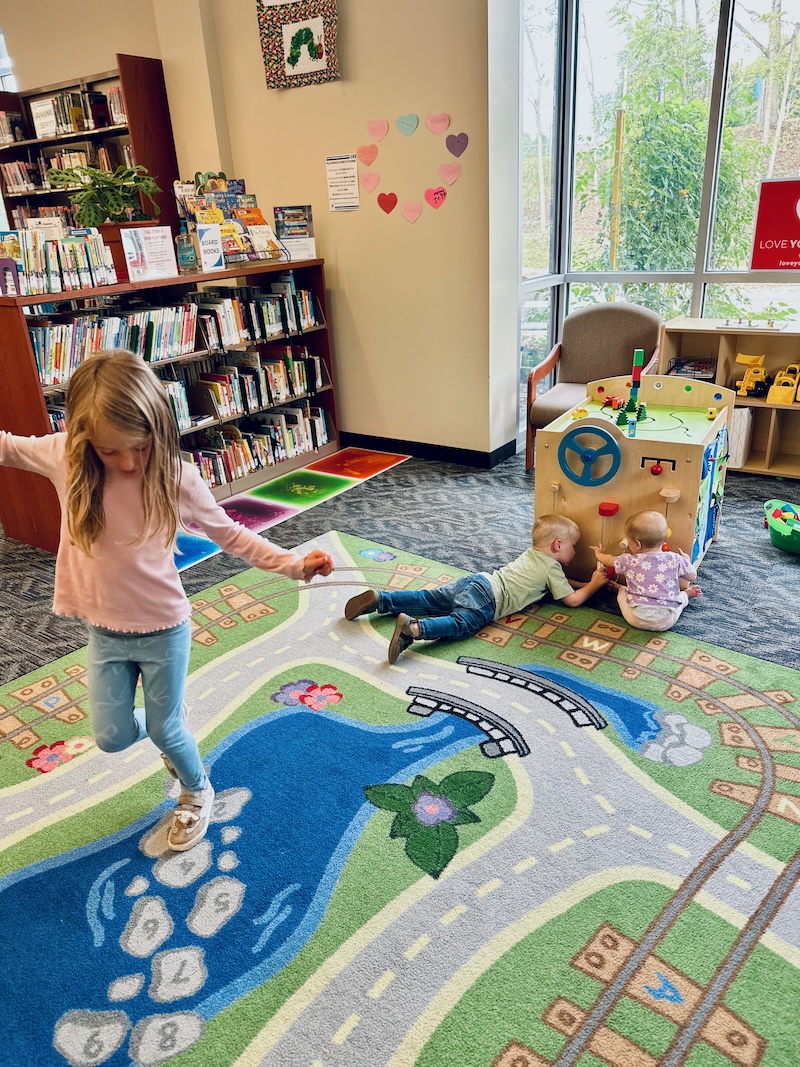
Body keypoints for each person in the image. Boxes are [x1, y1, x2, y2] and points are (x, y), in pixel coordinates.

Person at [0, 350, 333, 851]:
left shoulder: (176, 475)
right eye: (110, 452)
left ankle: (196, 790)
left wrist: (291, 563)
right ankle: (165, 741)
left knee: (167, 725)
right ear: (85, 438)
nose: (129, 462)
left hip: (163, 630)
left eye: (139, 446)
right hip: (104, 632)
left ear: (158, 423)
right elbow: (7, 448)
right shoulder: (64, 455)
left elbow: (231, 535)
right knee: (110, 737)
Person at [344, 513, 607, 663]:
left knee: (428, 599)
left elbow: (559, 584)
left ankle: (382, 600)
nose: (575, 551)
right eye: (574, 545)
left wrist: (584, 583)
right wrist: (594, 585)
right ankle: (413, 630)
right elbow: (571, 599)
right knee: (462, 625)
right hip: (487, 601)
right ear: (558, 546)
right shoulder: (552, 568)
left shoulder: (533, 556)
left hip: (475, 582)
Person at [590, 509, 700, 632]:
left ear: (637, 544)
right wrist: (686, 560)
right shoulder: (675, 558)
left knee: (622, 595)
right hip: (667, 620)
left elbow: (609, 560)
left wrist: (599, 554)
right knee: (679, 601)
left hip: (636, 618)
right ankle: (686, 595)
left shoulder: (628, 560)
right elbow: (692, 576)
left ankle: (620, 588)